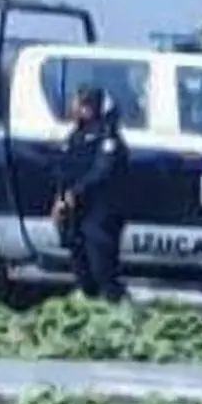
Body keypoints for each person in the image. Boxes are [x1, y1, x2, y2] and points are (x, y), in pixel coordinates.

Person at [52, 85, 130, 304]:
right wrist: (59, 199)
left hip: (100, 213)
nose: (74, 106)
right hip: (75, 213)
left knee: (102, 268)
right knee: (80, 266)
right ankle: (88, 305)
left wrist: (75, 193)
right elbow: (64, 169)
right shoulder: (75, 135)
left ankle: (116, 307)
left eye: (79, 102)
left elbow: (101, 172)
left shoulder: (107, 137)